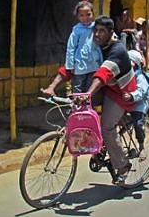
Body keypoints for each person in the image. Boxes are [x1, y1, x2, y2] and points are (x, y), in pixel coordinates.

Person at [43, 15, 136, 185]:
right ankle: (96, 144)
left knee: (107, 127)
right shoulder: (95, 47)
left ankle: (123, 165)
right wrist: (52, 86)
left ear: (110, 32)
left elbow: (102, 75)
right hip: (105, 89)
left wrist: (86, 95)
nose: (96, 35)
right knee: (82, 112)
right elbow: (73, 66)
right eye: (95, 30)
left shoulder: (118, 50)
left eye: (101, 31)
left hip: (121, 93)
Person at [42, 0, 102, 96]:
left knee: (90, 91)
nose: (85, 18)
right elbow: (71, 48)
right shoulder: (77, 30)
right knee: (77, 90)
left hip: (94, 65)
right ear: (77, 16)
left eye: (88, 14)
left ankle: (87, 110)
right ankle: (76, 109)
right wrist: (70, 65)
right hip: (79, 66)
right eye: (82, 15)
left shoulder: (96, 28)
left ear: (93, 14)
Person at [123, 50, 149, 161]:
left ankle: (142, 146)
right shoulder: (125, 76)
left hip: (138, 105)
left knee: (138, 123)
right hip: (125, 104)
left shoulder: (140, 77)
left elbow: (142, 91)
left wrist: (132, 96)